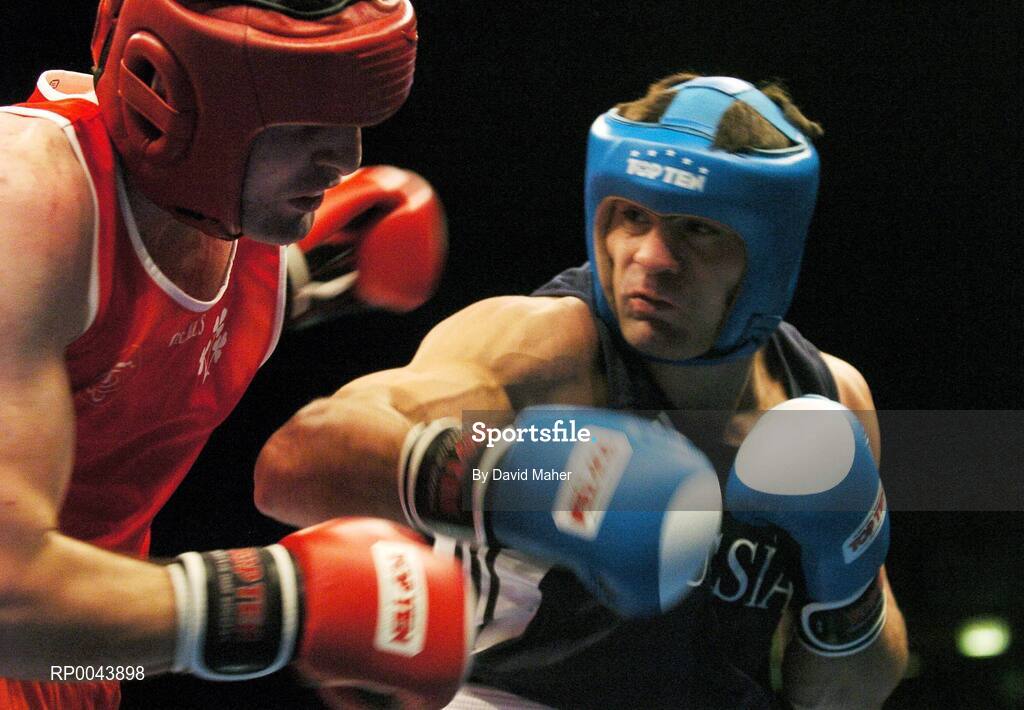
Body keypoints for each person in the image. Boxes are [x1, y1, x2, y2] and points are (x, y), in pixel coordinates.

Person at [256, 73, 910, 708]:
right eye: (632, 217)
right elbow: (297, 461)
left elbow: (847, 694)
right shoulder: (544, 350)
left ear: (769, 254)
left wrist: (848, 581)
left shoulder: (830, 398)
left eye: (699, 229)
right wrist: (525, 481)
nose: (651, 258)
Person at [0, 1, 468, 708]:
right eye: (307, 123)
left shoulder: (239, 227)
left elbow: (137, 336)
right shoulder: (28, 200)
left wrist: (323, 278)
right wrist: (279, 605)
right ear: (177, 95)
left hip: (84, 659)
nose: (345, 161)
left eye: (351, 122)